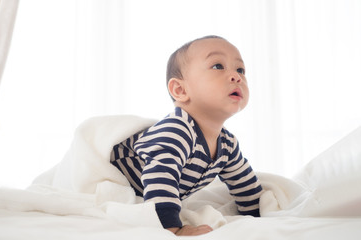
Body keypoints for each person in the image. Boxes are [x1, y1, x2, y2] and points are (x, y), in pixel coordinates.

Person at [110, 35, 263, 236]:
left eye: (240, 70)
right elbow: (160, 177)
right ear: (180, 90)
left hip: (153, 191)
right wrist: (173, 229)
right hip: (121, 180)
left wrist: (261, 217)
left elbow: (247, 188)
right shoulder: (177, 130)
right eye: (218, 66)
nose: (236, 76)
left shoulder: (227, 144)